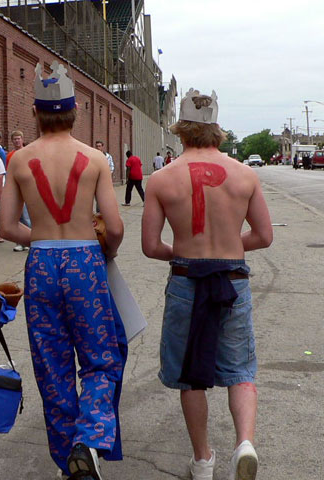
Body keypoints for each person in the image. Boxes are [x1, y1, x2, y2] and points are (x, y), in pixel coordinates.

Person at [0, 61, 127, 480]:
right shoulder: (93, 159)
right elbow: (116, 224)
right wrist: (103, 248)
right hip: (84, 260)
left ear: (36, 113)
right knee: (99, 356)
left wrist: (38, 237)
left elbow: (4, 226)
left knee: (51, 364)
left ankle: (65, 461)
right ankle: (87, 442)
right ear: (75, 112)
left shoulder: (20, 159)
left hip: (41, 262)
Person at [141, 88, 272, 480]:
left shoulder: (162, 178)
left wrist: (181, 251)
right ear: (217, 129)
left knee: (189, 374)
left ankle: (203, 461)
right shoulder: (245, 174)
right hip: (232, 278)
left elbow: (150, 246)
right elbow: (264, 235)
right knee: (240, 370)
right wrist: (231, 245)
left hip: (186, 278)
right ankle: (244, 444)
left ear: (181, 131)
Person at [6, 130, 31, 252]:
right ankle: (19, 242)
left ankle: (29, 240)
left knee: (26, 216)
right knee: (17, 215)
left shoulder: (28, 153)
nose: (17, 141)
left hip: (26, 187)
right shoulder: (10, 155)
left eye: (18, 138)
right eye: (14, 139)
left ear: (22, 139)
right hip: (15, 188)